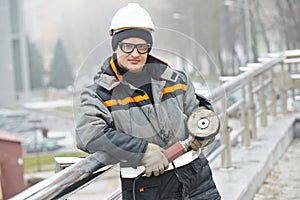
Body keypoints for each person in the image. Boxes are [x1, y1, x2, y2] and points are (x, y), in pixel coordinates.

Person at [75, 3, 221, 200]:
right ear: (115, 46)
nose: (135, 53)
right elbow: (89, 134)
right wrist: (141, 151)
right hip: (148, 189)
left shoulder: (176, 79)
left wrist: (203, 127)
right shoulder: (99, 94)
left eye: (142, 46)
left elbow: (198, 112)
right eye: (127, 46)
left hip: (197, 181)